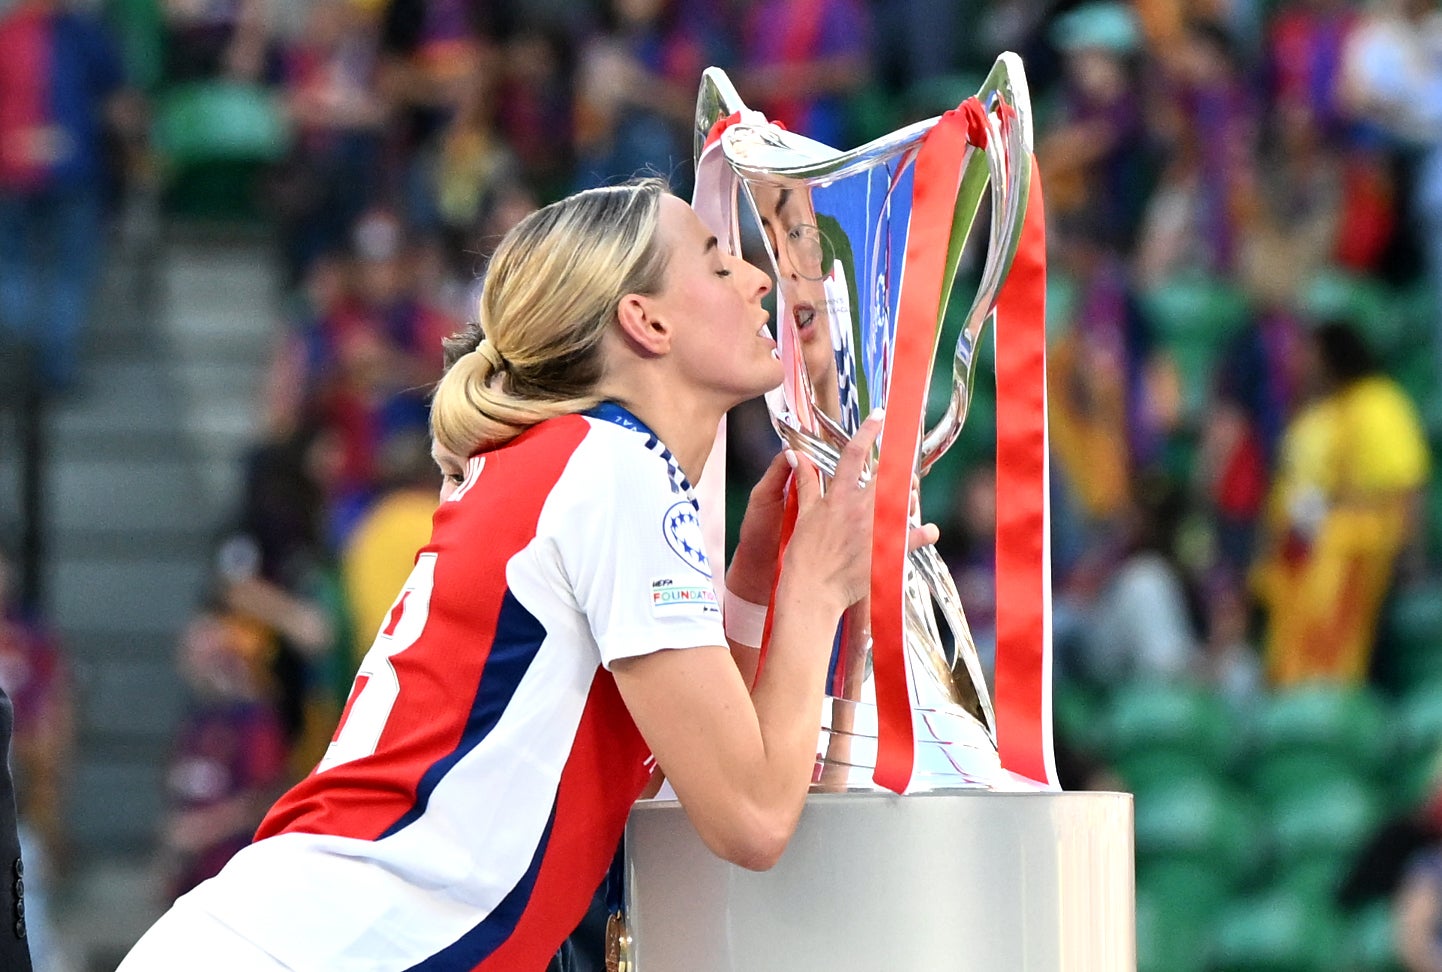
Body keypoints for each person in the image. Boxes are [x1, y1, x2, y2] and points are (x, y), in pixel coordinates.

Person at [120, 177, 923, 969]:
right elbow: (750, 817)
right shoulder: (614, 468)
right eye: (718, 265)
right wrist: (817, 592)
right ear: (644, 322)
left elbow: (680, 778)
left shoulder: (578, 460)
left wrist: (755, 585)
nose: (757, 282)